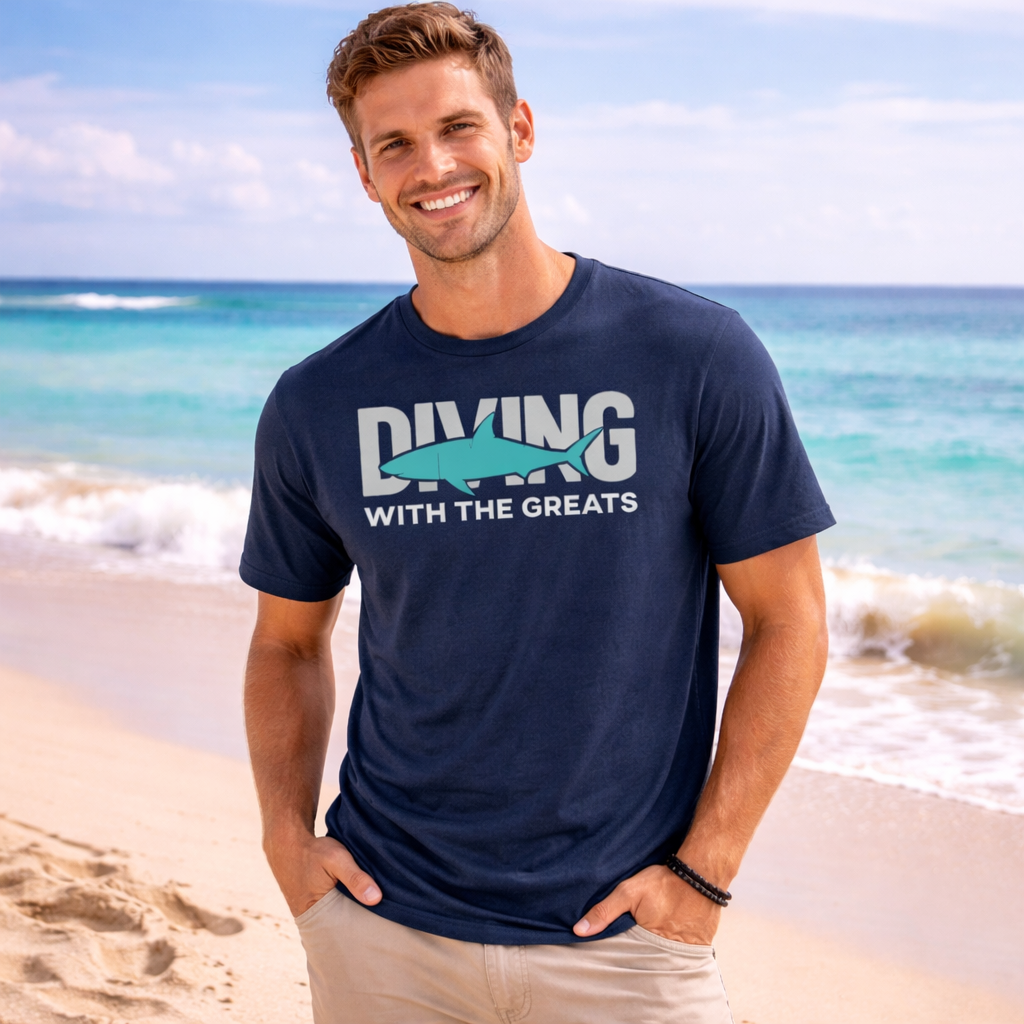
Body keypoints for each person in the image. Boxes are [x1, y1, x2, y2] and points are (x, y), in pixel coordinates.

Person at [241, 4, 834, 1021]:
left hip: (625, 939)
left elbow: (790, 620)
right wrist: (286, 840)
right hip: (384, 927)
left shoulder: (693, 355)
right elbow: (286, 642)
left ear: (518, 130)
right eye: (395, 144)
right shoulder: (318, 401)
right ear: (365, 173)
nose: (433, 166)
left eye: (457, 127)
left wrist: (705, 871)